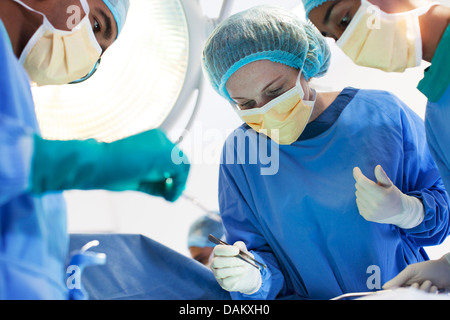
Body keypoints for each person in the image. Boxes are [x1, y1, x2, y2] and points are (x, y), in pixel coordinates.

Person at [201, 5, 450, 300]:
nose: (264, 109)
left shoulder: (383, 114)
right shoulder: (241, 155)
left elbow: (442, 215)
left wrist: (409, 211)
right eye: (246, 104)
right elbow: (258, 262)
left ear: (304, 67)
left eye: (276, 91)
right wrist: (253, 279)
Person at [0, 0, 190, 299]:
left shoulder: (17, 99)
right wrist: (90, 162)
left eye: (99, 54)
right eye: (97, 25)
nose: (89, 59)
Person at [302, 0, 450, 294]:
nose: (346, 42)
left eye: (344, 19)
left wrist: (413, 212)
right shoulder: (437, 114)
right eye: (331, 36)